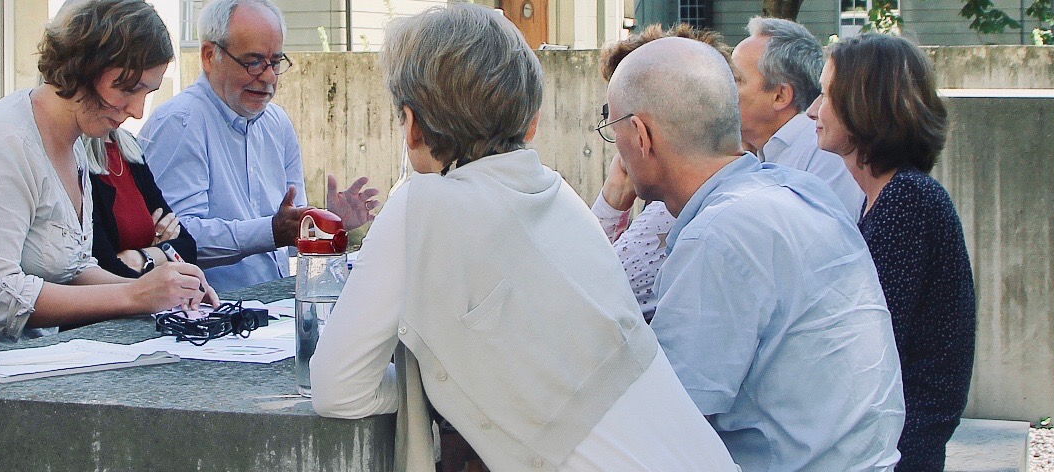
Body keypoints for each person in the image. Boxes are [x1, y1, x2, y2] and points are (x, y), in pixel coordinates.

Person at [309, 5, 737, 471]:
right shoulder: (558, 196)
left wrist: (420, 391)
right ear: (532, 122)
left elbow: (338, 388)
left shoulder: (420, 207)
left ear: (411, 126)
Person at [607, 37, 905, 471]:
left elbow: (668, 426)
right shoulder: (803, 192)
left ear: (641, 136)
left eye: (611, 129)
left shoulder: (717, 234)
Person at [0, 0, 214, 355]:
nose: (137, 110)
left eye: (147, 93)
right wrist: (134, 294)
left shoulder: (75, 144)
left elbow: (74, 268)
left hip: (8, 360)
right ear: (84, 66)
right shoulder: (3, 141)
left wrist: (161, 290)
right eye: (126, 88)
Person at [809, 33, 977, 472]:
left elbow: (866, 345)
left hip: (898, 447)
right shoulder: (885, 197)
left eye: (825, 96)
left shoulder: (908, 201)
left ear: (864, 105)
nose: (812, 111)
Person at [141, 0, 380, 293]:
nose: (267, 77)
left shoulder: (277, 123)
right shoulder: (180, 123)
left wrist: (326, 223)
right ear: (208, 55)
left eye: (275, 62)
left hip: (274, 307)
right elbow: (176, 240)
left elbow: (292, 244)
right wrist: (271, 232)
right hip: (207, 317)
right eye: (253, 62)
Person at [590, 24, 731, 321]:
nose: (616, 139)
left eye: (615, 119)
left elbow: (584, 289)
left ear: (642, 134)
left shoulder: (691, 224)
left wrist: (611, 202)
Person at [732, 17, 865, 218]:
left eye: (736, 79)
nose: (725, 88)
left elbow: (825, 241)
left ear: (780, 96)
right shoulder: (767, 150)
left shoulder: (824, 152)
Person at [85, 129, 198, 278]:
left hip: (141, 294)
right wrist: (160, 255)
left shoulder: (128, 147)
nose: (137, 113)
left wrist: (140, 258)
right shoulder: (75, 157)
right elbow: (105, 266)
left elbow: (187, 247)